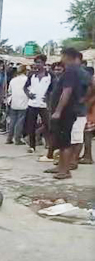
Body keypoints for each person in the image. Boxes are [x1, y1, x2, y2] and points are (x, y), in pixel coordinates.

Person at [46, 48, 85, 179]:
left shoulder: (71, 72)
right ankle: (61, 168)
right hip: (68, 110)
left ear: (67, 56)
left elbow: (66, 92)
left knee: (65, 142)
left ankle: (65, 171)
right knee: (62, 142)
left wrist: (58, 111)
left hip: (66, 112)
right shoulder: (73, 71)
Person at [24, 55, 53, 153]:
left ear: (44, 63)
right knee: (31, 125)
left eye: (39, 62)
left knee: (47, 124)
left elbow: (54, 88)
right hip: (32, 103)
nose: (37, 64)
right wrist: (28, 94)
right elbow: (25, 87)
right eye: (36, 62)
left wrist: (48, 97)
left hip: (43, 105)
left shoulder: (50, 75)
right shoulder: (32, 75)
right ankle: (32, 146)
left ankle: (49, 144)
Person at [6, 65, 29, 145]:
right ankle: (17, 139)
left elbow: (9, 91)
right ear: (25, 71)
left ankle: (9, 138)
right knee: (20, 122)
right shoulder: (27, 79)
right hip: (24, 102)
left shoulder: (13, 80)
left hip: (14, 102)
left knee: (12, 121)